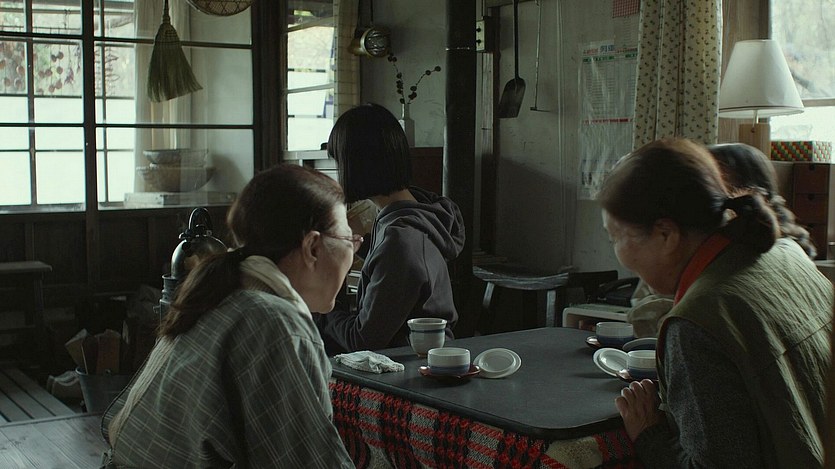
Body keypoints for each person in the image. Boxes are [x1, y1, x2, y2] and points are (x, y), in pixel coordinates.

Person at [598, 138, 833, 467]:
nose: (619, 255)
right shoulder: (786, 254)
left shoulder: (695, 326)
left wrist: (648, 433)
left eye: (616, 237)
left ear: (666, 234)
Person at [101, 164, 355, 468]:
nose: (353, 253)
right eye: (349, 240)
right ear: (312, 247)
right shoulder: (274, 321)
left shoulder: (222, 288)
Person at [315, 103, 465, 355]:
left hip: (406, 368)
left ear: (357, 164)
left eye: (339, 161)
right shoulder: (421, 213)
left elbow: (363, 340)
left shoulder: (400, 240)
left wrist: (323, 307)